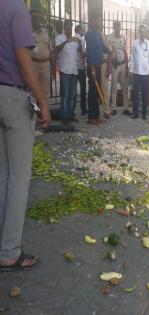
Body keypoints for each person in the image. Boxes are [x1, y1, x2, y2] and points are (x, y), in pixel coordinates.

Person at [0, 0, 51, 271]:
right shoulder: (14, 7)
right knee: (18, 178)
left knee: (2, 173)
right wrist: (42, 101)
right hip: (12, 97)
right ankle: (8, 251)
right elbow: (23, 58)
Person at [84, 16, 109, 125]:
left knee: (97, 92)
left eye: (101, 21)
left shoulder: (99, 34)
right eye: (99, 20)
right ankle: (91, 117)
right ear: (93, 21)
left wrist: (109, 49)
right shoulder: (89, 34)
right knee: (93, 92)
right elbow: (89, 52)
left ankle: (97, 115)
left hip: (99, 66)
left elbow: (103, 48)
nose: (100, 22)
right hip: (92, 67)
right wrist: (93, 69)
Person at [55, 20, 80, 124]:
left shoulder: (75, 39)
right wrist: (67, 41)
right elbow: (57, 49)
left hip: (74, 71)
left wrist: (79, 42)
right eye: (67, 27)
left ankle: (70, 115)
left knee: (72, 95)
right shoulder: (59, 38)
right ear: (64, 27)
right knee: (65, 95)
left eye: (71, 27)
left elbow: (79, 51)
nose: (69, 29)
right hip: (65, 70)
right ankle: (64, 117)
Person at [130, 26, 149, 119]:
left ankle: (144, 113)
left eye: (144, 32)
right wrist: (131, 70)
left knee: (145, 94)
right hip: (136, 72)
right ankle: (135, 113)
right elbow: (132, 57)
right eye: (141, 32)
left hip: (146, 73)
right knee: (135, 94)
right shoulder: (135, 43)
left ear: (145, 32)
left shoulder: (148, 44)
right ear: (139, 32)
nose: (142, 33)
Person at [30, 9, 53, 99]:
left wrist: (53, 65)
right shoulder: (27, 32)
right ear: (30, 19)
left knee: (45, 91)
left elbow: (50, 49)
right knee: (33, 90)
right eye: (34, 17)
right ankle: (33, 112)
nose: (36, 19)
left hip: (45, 65)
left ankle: (43, 111)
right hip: (32, 64)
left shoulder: (46, 32)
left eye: (38, 17)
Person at [109, 21, 128, 115]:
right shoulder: (110, 37)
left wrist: (127, 67)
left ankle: (126, 108)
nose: (117, 28)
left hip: (123, 65)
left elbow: (125, 52)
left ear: (120, 27)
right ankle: (113, 108)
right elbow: (109, 52)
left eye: (119, 26)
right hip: (114, 66)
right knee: (113, 86)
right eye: (115, 26)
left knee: (124, 87)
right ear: (113, 27)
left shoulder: (123, 37)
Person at [75, 24, 87, 116]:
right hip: (80, 67)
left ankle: (72, 109)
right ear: (79, 30)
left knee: (73, 89)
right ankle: (83, 109)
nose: (84, 32)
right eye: (83, 30)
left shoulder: (72, 38)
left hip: (74, 67)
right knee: (83, 89)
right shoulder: (80, 40)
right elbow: (82, 54)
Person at [100, 29, 112, 118]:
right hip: (94, 65)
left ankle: (106, 110)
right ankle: (94, 112)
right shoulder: (90, 35)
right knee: (94, 88)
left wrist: (109, 67)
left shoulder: (105, 37)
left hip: (104, 64)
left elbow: (110, 51)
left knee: (104, 88)